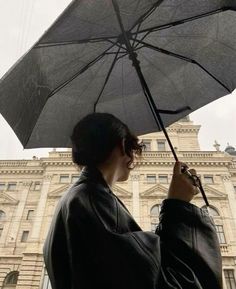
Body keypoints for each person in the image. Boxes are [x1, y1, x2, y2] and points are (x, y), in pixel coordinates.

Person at [43, 113, 222, 289]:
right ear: (122, 145)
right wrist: (178, 206)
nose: (136, 156)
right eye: (135, 146)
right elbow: (161, 280)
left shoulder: (78, 197)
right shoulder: (92, 200)